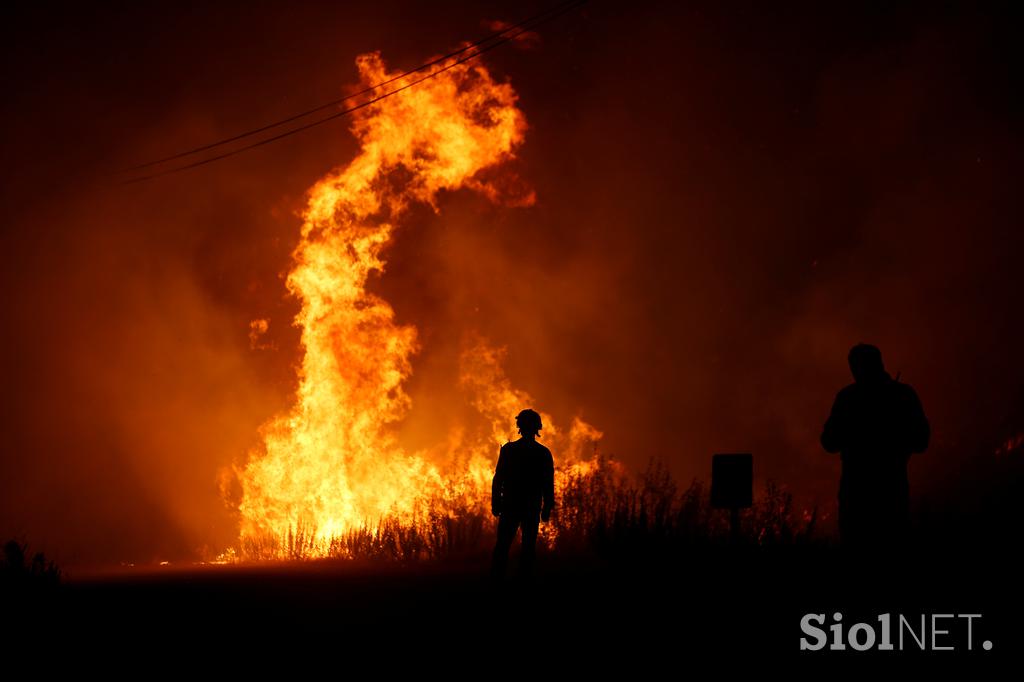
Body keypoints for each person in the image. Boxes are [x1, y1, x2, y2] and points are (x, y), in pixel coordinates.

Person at [821, 344, 930, 550]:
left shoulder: (848, 398)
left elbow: (829, 442)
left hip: (858, 494)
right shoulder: (903, 395)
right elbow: (921, 441)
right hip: (891, 491)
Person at [491, 408, 555, 579]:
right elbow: (548, 483)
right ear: (537, 427)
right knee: (527, 547)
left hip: (511, 505)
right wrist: (547, 507)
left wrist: (496, 502)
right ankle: (523, 581)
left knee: (503, 545)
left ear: (519, 426)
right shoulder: (542, 453)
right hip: (530, 506)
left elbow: (498, 479)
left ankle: (498, 580)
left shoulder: (509, 450)